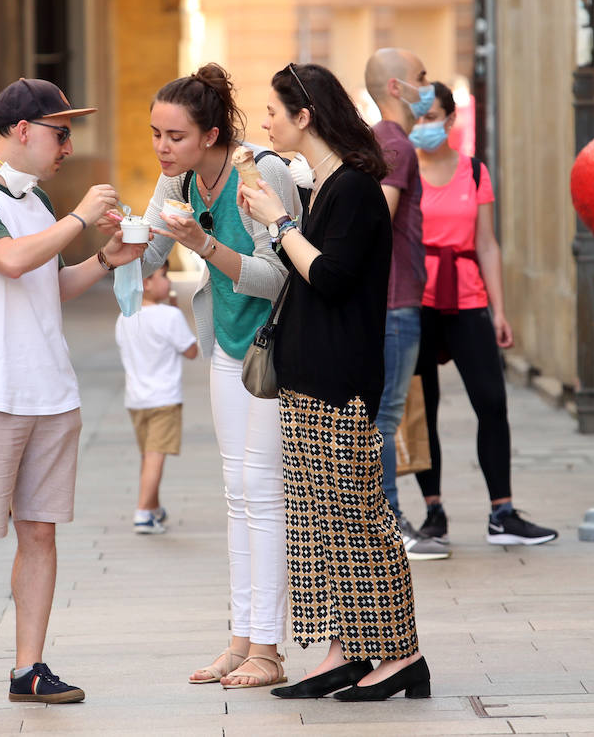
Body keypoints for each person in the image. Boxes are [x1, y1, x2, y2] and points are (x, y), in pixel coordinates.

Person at [0, 77, 144, 712]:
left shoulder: (39, 199)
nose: (67, 146)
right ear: (21, 131)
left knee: (41, 534)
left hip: (50, 389)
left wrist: (106, 257)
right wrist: (79, 217)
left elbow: (50, 282)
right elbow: (9, 261)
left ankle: (29, 666)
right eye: (59, 132)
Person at [241, 62, 429, 702]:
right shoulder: (324, 186)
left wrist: (279, 223)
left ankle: (402, 655)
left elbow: (332, 278)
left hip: (339, 382)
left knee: (359, 521)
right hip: (310, 378)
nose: (266, 122)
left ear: (306, 116)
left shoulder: (352, 188)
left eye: (274, 110)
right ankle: (346, 650)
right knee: (322, 524)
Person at [139, 63, 298, 690]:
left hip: (272, 347)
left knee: (264, 495)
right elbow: (149, 253)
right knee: (237, 492)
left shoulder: (262, 172)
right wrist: (123, 237)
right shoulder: (177, 180)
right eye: (155, 134)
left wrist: (202, 247)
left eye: (173, 137)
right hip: (225, 346)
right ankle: (241, 640)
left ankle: (269, 649)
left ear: (210, 135)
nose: (161, 147)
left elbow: (278, 274)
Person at [410, 82, 557, 547]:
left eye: (431, 116)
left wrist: (499, 310)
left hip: (469, 297)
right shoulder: (400, 176)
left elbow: (488, 244)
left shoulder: (474, 172)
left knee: (492, 403)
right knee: (421, 409)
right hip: (416, 303)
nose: (423, 126)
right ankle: (433, 511)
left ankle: (502, 513)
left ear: (451, 120)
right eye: (416, 117)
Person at [362, 47, 450, 562]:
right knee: (385, 419)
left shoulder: (383, 140)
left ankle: (386, 521)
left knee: (383, 417)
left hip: (394, 300)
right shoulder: (394, 142)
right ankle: (388, 525)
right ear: (395, 88)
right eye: (420, 77)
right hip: (395, 304)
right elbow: (380, 217)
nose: (428, 86)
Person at [115, 261, 199, 534]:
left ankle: (153, 507)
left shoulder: (124, 316)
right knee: (155, 457)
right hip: (164, 398)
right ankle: (142, 513)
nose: (169, 281)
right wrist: (175, 311)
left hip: (136, 399)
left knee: (147, 456)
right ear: (146, 283)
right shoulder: (169, 317)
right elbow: (191, 351)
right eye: (164, 275)